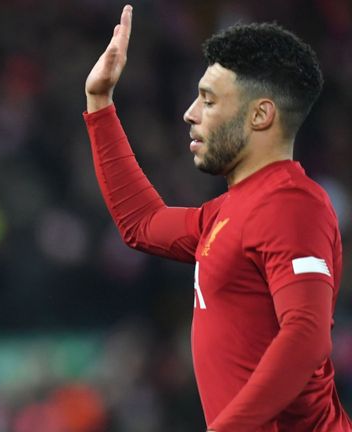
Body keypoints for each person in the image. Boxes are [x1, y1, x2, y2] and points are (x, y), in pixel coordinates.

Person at [84, 5, 351, 431]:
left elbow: (306, 335)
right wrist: (100, 104)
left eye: (208, 99)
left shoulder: (294, 205)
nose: (190, 113)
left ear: (260, 115)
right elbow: (141, 224)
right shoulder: (229, 211)